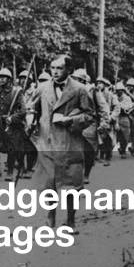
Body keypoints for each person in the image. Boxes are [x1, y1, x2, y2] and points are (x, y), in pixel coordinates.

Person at [25, 55, 95, 233]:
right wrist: (30, 120)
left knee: (71, 184)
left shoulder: (80, 89)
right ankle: (50, 218)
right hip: (48, 142)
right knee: (50, 182)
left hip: (70, 142)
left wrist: (70, 120)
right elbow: (31, 107)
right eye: (52, 68)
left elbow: (90, 116)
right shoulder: (43, 88)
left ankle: (71, 221)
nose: (54, 72)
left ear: (69, 70)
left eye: (59, 68)